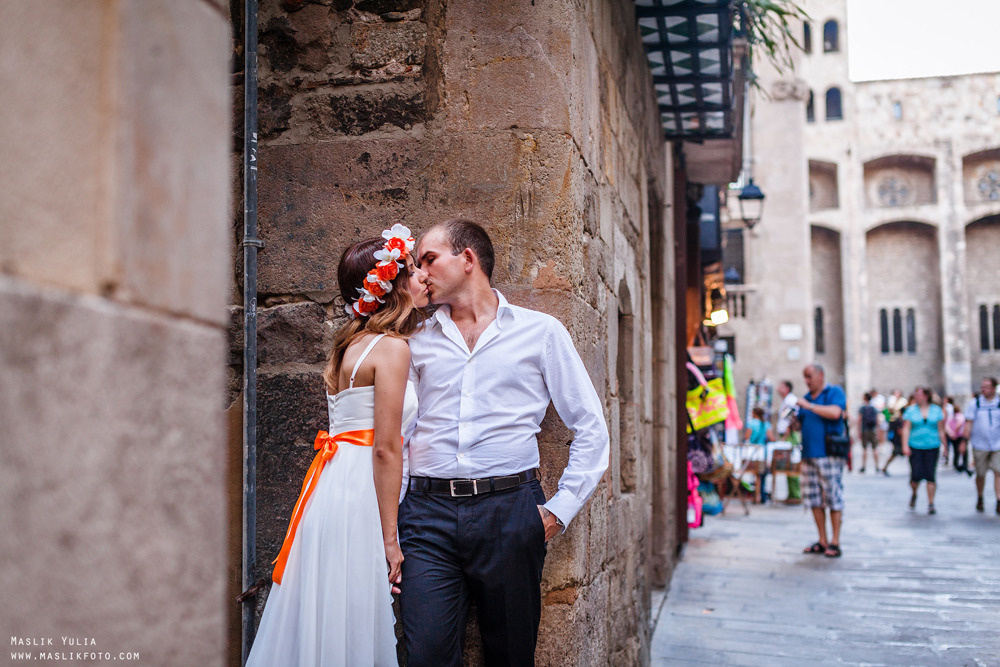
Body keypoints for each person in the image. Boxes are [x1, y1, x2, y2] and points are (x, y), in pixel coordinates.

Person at [400, 219, 610, 665]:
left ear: (468, 259)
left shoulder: (541, 332)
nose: (420, 273)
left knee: (511, 656)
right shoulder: (414, 341)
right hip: (425, 518)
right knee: (424, 656)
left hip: (510, 511)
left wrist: (558, 510)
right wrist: (395, 517)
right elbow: (401, 435)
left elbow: (590, 424)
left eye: (429, 259)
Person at [246, 225, 429, 666]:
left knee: (330, 607)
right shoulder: (392, 349)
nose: (422, 276)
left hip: (333, 488)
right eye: (410, 269)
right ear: (390, 286)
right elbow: (385, 447)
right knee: (354, 608)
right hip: (362, 494)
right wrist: (390, 538)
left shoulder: (351, 345)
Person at [797, 363, 847, 558]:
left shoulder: (833, 392)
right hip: (809, 454)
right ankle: (822, 540)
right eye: (805, 377)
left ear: (820, 375)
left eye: (809, 376)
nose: (807, 381)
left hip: (829, 454)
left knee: (833, 497)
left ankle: (835, 541)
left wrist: (809, 406)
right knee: (814, 499)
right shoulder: (807, 398)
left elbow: (836, 413)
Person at [900, 387, 945, 515]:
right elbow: (906, 429)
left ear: (926, 396)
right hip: (915, 446)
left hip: (932, 446)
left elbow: (941, 430)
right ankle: (914, 493)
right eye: (916, 395)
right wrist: (905, 446)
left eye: (919, 394)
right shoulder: (911, 410)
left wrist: (945, 446)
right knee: (916, 476)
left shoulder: (936, 410)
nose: (917, 397)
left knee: (931, 475)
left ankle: (931, 503)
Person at [965, 377, 1000, 514]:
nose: (983, 389)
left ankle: (998, 500)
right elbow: (969, 422)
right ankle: (980, 496)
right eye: (982, 387)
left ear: (993, 388)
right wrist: (964, 440)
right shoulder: (976, 404)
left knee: (998, 472)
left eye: (986, 387)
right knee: (980, 474)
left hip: (998, 444)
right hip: (980, 444)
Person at [881, 390, 907, 476]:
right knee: (895, 454)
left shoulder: (899, 419)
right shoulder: (898, 420)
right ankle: (884, 467)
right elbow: (900, 431)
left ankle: (885, 467)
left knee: (895, 454)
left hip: (898, 440)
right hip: (898, 440)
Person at [945, 401, 971, 475]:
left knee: (956, 451)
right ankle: (964, 464)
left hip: (954, 437)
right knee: (963, 451)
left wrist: (951, 433)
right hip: (960, 436)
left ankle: (956, 464)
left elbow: (946, 426)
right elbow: (960, 424)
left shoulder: (951, 417)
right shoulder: (961, 416)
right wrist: (956, 432)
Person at [857, 392, 880, 473]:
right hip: (873, 430)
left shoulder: (862, 408)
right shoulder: (874, 408)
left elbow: (859, 420)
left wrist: (858, 431)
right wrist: (877, 432)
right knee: (874, 449)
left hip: (865, 430)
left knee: (864, 449)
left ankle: (863, 466)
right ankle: (877, 466)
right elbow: (877, 421)